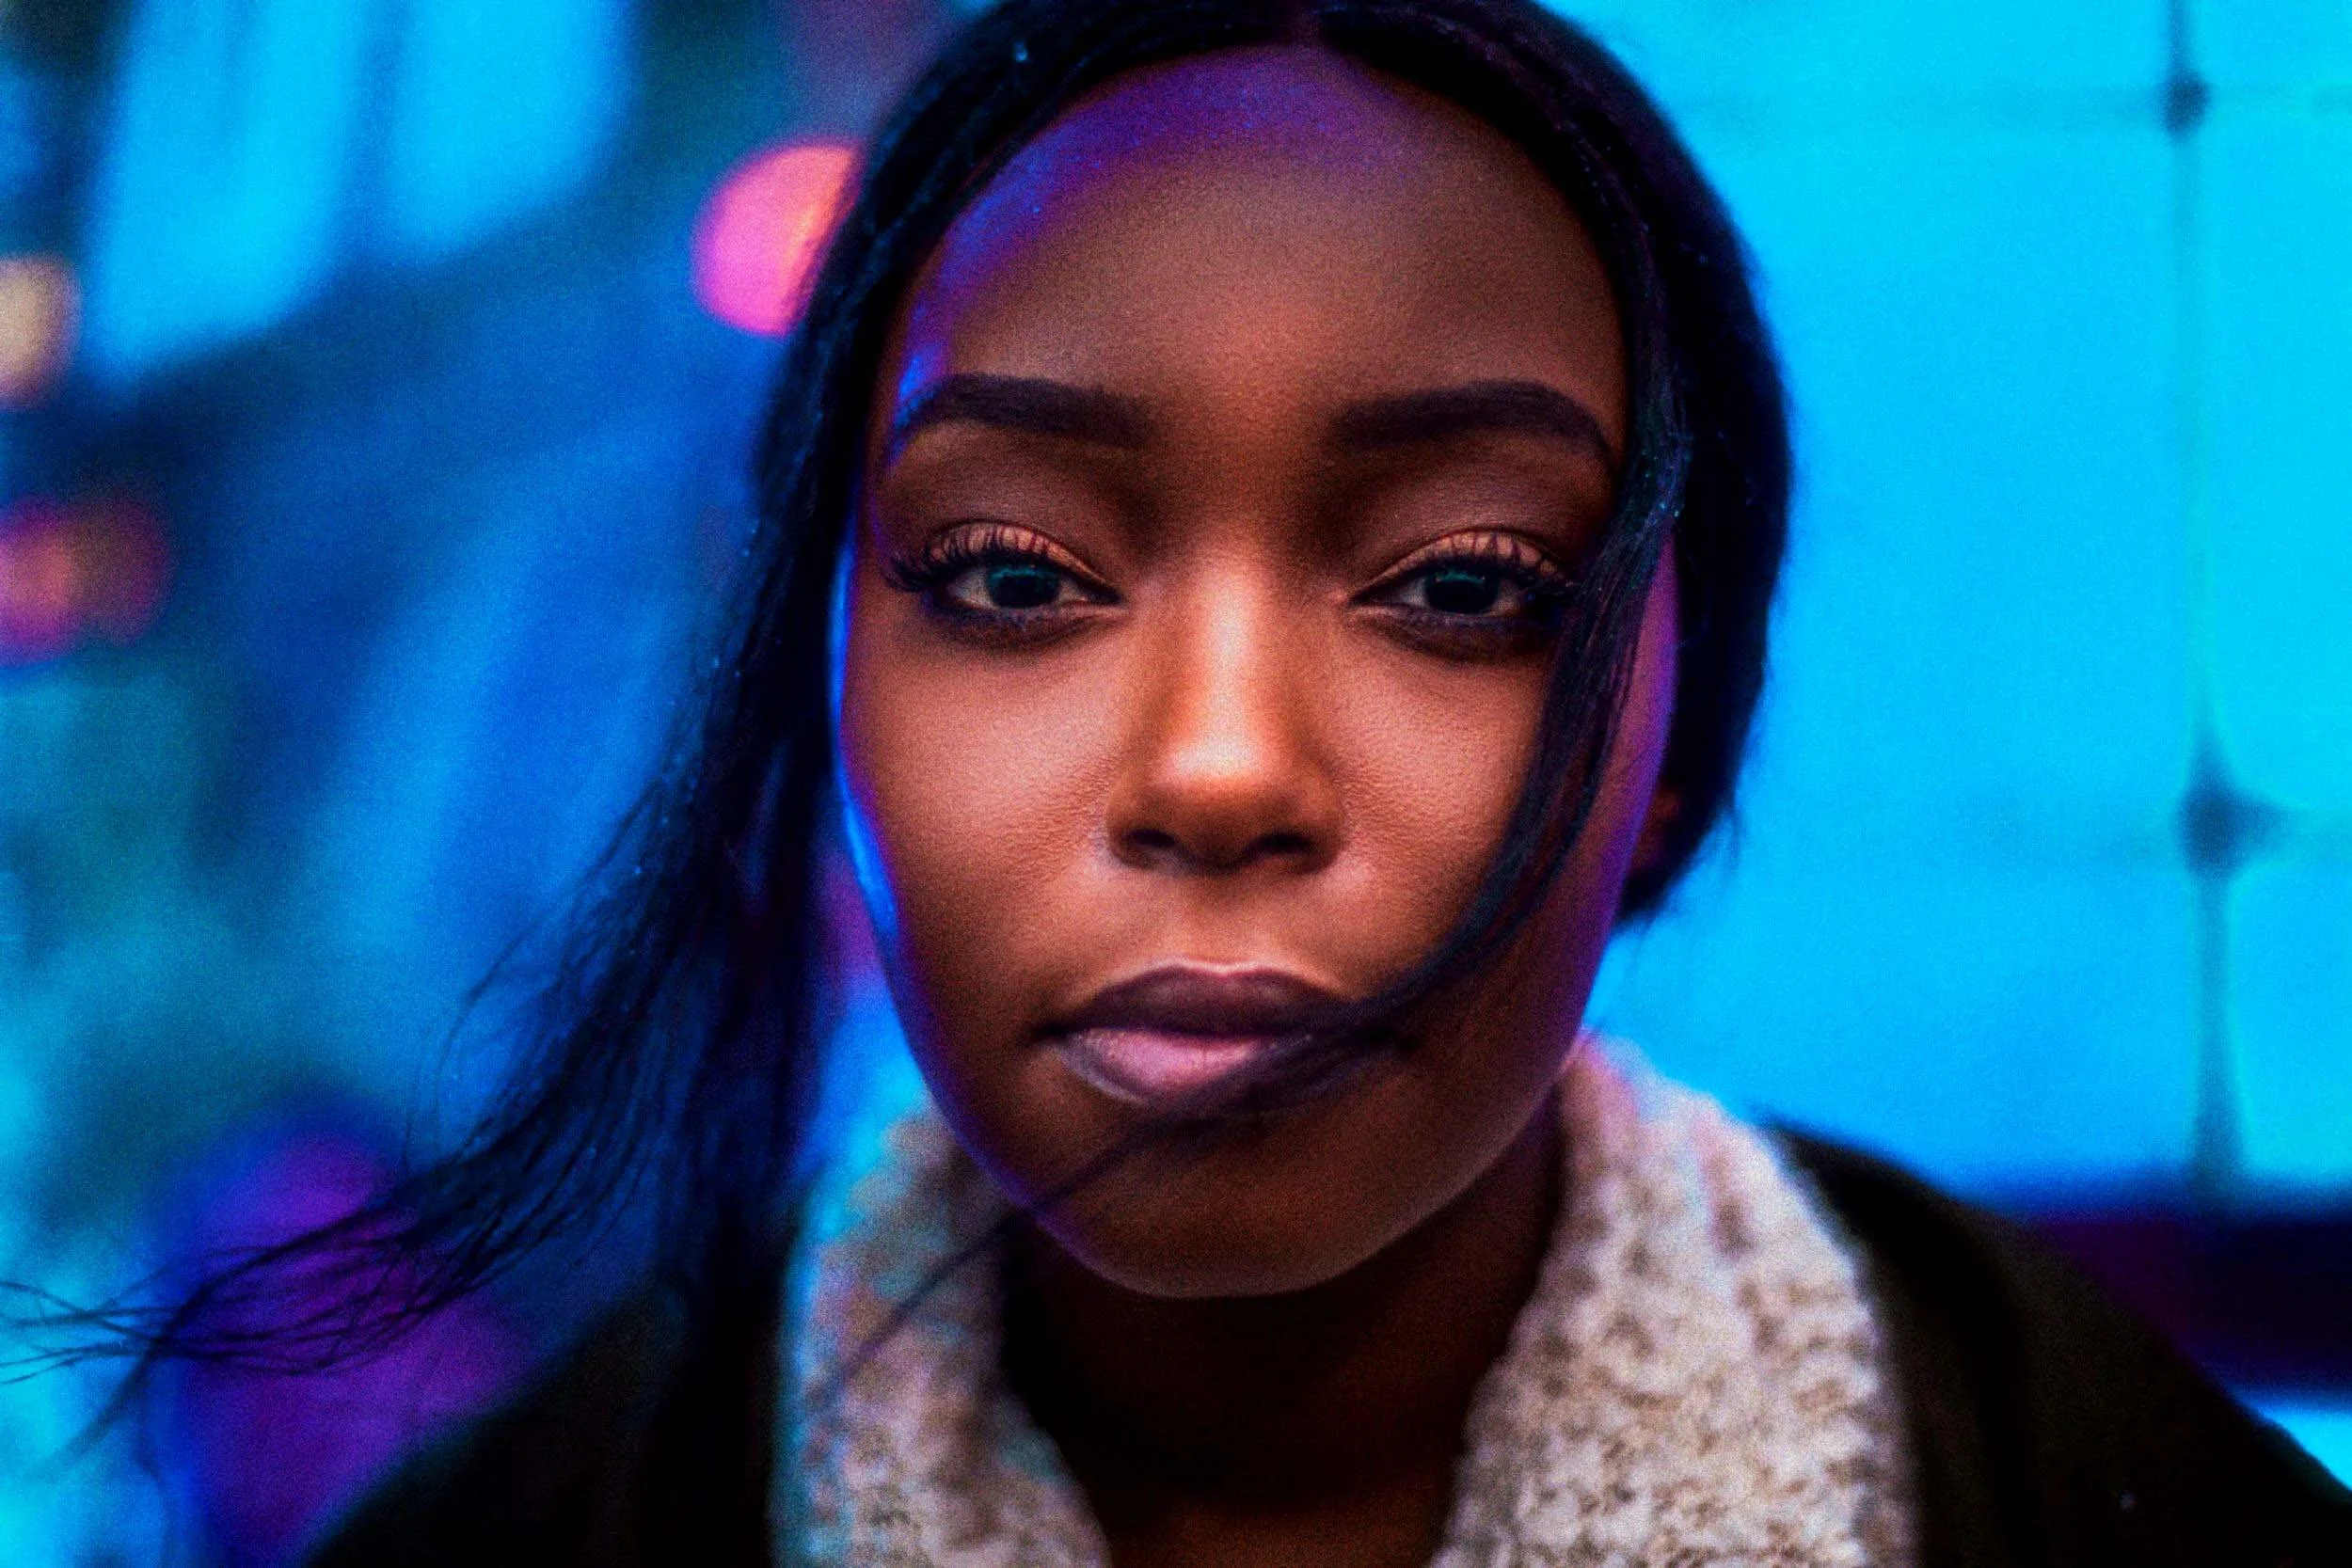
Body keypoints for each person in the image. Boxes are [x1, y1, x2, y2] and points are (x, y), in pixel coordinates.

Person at [162, 1, 2342, 1562]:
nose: (1218, 768)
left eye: (1459, 586)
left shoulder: (2061, 1479)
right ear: (815, 698)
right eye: (1011, 574)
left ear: (1676, 745)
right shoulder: (551, 1516)